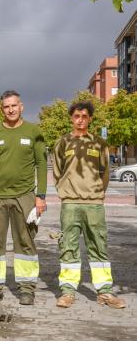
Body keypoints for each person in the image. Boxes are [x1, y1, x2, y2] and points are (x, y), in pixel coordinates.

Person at [0, 90, 47, 306]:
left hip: (24, 196)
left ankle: (26, 288)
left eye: (14, 105)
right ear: (1, 109)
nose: (11, 109)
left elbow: (41, 164)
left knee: (25, 242)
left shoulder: (33, 131)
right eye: (6, 106)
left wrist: (40, 196)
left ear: (21, 106)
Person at [52, 101, 125, 309]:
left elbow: (104, 173)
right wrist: (66, 191)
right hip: (70, 204)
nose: (80, 119)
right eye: (76, 116)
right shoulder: (62, 143)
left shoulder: (99, 143)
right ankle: (67, 291)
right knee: (68, 247)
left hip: (94, 204)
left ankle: (105, 292)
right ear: (71, 118)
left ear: (90, 118)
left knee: (99, 247)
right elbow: (58, 172)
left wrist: (98, 194)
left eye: (84, 116)